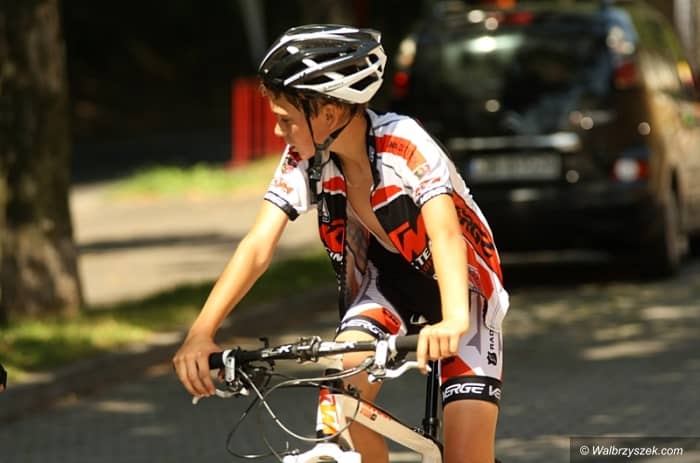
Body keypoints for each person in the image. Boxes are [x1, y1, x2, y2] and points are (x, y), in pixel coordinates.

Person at [173, 24, 509, 463]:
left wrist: (453, 320)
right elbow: (257, 244)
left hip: (463, 291)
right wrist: (201, 332)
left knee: (465, 454)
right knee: (338, 402)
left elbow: (445, 233)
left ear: (329, 115)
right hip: (387, 286)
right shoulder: (306, 159)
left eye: (286, 119)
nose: (277, 130)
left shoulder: (404, 142)